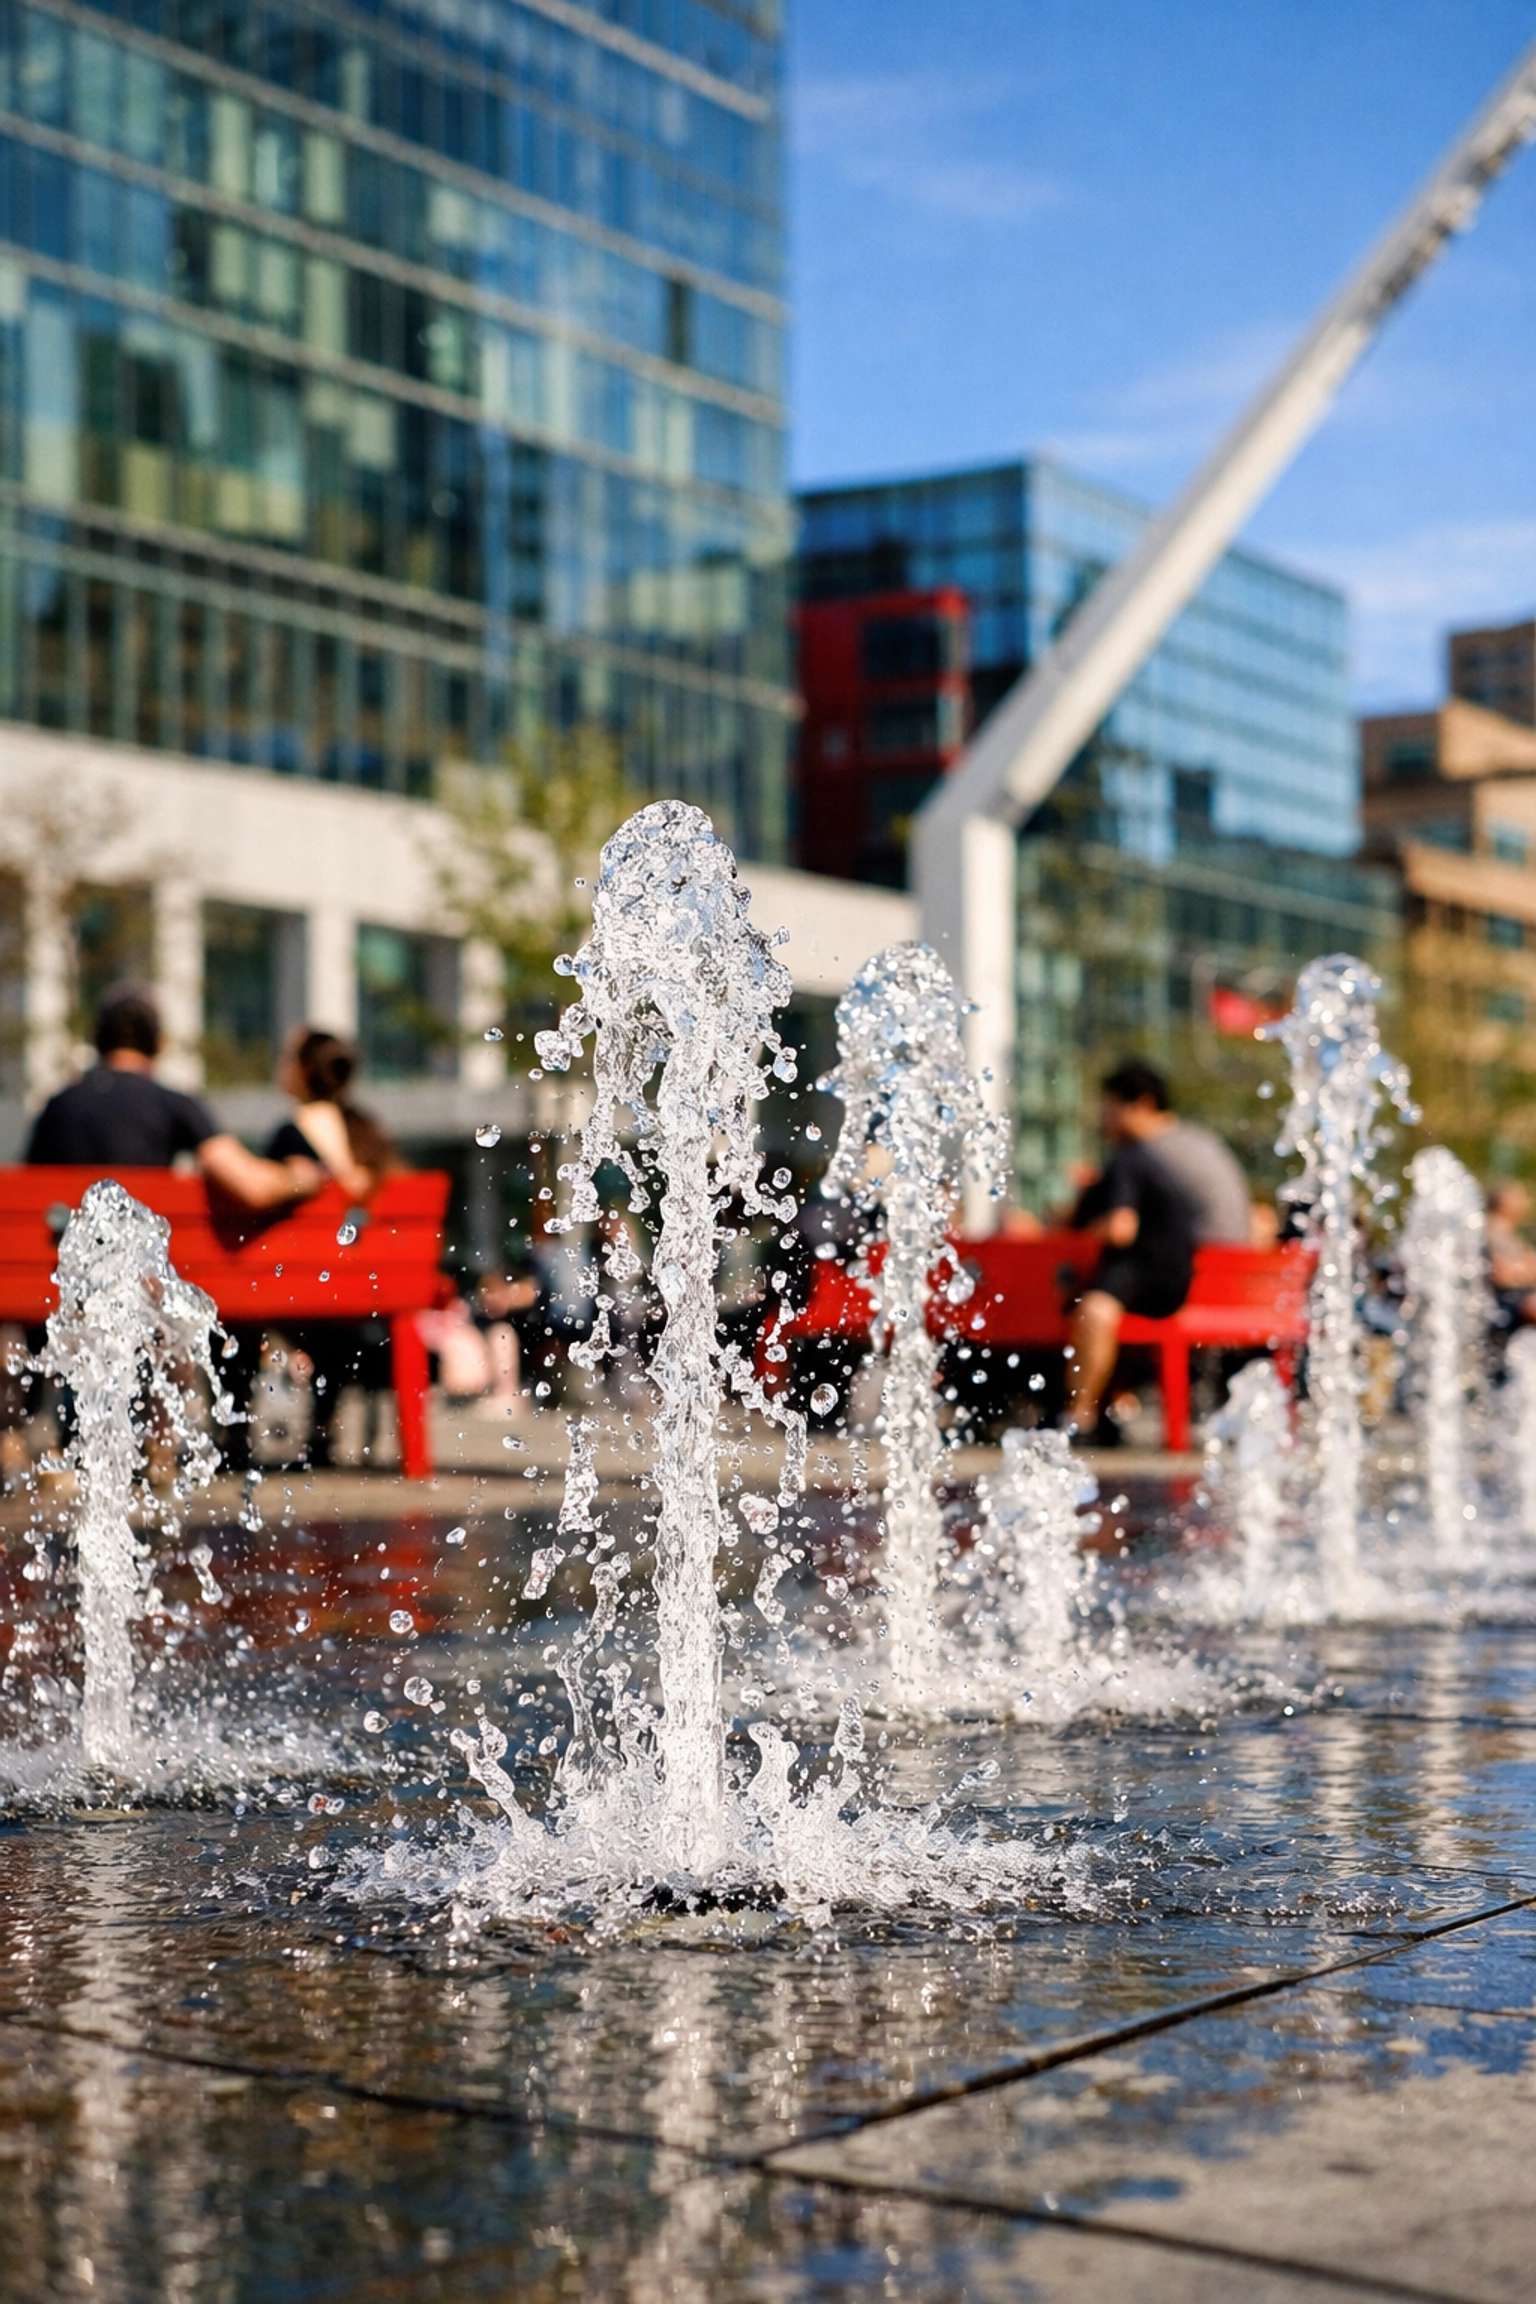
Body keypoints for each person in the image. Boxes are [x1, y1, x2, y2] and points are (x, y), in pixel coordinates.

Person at [26, 984, 322, 1209]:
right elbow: (251, 1187)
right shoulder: (174, 1103)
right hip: (141, 1275)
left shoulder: (59, 1104)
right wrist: (303, 1177)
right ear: (160, 1043)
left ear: (98, 1040)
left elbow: (23, 1194)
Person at [1064, 1062, 1201, 1440]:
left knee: (1091, 1310)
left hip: (1147, 1270)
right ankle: (1103, 1409)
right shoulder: (1160, 1159)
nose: (1102, 1116)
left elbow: (1121, 1228)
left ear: (1135, 1105)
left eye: (1107, 1105)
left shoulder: (1130, 1157)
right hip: (1179, 1277)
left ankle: (1079, 1416)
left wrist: (1083, 1231)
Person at [1487, 1179, 1536, 1329]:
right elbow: (1499, 1272)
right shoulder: (1492, 1230)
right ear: (1503, 1202)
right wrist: (1524, 1269)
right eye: (1517, 1197)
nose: (1524, 1203)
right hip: (1501, 1305)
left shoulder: (1507, 1231)